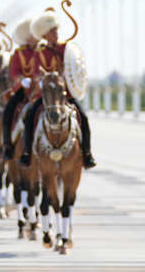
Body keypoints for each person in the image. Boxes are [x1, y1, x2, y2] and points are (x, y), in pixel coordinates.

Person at [18, 10, 96, 169]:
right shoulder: (39, 52)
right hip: (45, 95)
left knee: (84, 118)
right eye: (52, 31)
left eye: (56, 30)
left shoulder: (67, 49)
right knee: (30, 116)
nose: (56, 33)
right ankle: (27, 153)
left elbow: (75, 67)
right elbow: (35, 72)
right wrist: (40, 80)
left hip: (65, 95)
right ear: (44, 35)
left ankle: (87, 154)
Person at [0, 18, 38, 161]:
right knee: (8, 110)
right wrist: (22, 80)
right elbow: (13, 72)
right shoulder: (19, 53)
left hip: (40, 89)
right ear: (27, 37)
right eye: (33, 35)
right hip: (23, 89)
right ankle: (8, 145)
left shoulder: (44, 50)